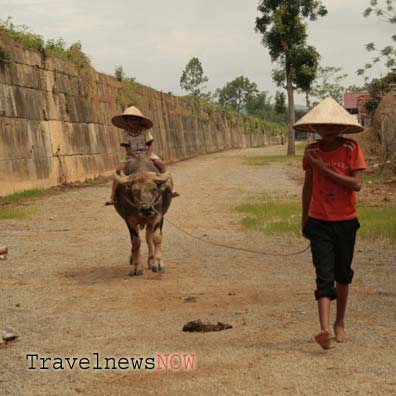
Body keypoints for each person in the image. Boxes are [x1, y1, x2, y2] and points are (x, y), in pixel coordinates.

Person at [294, 97, 367, 350]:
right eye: (324, 126)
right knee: (323, 275)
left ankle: (340, 323)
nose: (329, 130)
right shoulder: (311, 151)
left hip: (346, 221)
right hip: (319, 222)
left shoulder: (351, 149)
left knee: (342, 275)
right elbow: (308, 186)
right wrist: (305, 218)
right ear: (315, 128)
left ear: (342, 128)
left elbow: (356, 184)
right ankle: (324, 329)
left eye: (334, 126)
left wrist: (324, 170)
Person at [106, 106, 166, 205]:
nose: (134, 122)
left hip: (146, 152)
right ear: (126, 121)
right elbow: (127, 148)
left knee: (162, 165)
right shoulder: (125, 133)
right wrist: (133, 154)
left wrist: (147, 157)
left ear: (139, 121)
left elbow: (150, 145)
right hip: (131, 155)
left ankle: (167, 189)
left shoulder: (145, 130)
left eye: (136, 119)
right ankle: (112, 196)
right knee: (117, 170)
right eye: (131, 119)